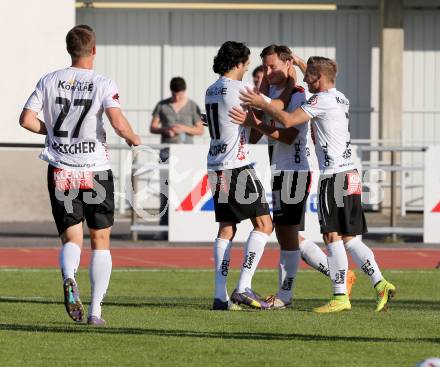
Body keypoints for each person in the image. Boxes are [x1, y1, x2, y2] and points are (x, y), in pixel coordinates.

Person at [235, 55, 396, 313]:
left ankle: (339, 295)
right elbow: (321, 73)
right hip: (350, 173)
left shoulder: (317, 100)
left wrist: (259, 107)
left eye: (309, 75)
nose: (305, 78)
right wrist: (298, 62)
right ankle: (380, 283)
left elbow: (287, 122)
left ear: (318, 79)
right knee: (350, 239)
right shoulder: (340, 96)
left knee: (331, 236)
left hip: (331, 175)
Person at [19, 25, 141, 324]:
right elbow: (117, 122)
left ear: (69, 49)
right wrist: (133, 139)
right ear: (94, 49)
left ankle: (69, 276)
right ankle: (96, 311)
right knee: (100, 239)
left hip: (61, 169)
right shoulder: (102, 82)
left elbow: (26, 120)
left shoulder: (49, 80)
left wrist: (55, 135)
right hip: (94, 170)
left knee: (71, 237)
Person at [231, 45, 356, 309]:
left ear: (288, 65)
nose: (267, 71)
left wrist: (258, 119)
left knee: (288, 234)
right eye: (265, 66)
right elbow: (255, 135)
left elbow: (288, 135)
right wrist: (249, 120)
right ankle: (331, 279)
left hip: (296, 172)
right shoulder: (273, 94)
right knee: (288, 235)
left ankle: (288, 295)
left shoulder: (299, 95)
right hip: (280, 170)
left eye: (273, 66)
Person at [205, 41, 273, 311]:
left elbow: (249, 130)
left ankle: (219, 295)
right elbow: (277, 108)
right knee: (264, 224)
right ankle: (243, 286)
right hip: (237, 166)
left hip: (215, 165)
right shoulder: (242, 89)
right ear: (238, 63)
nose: (247, 69)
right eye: (246, 64)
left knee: (227, 228)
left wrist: (254, 123)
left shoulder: (211, 89)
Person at [150, 77, 204, 229]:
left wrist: (184, 129)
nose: (177, 98)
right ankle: (164, 227)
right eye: (174, 95)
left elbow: (200, 130)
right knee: (165, 191)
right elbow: (153, 127)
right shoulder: (162, 105)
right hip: (167, 152)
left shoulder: (193, 106)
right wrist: (165, 130)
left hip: (187, 154)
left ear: (184, 92)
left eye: (179, 95)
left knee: (187, 190)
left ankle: (187, 227)